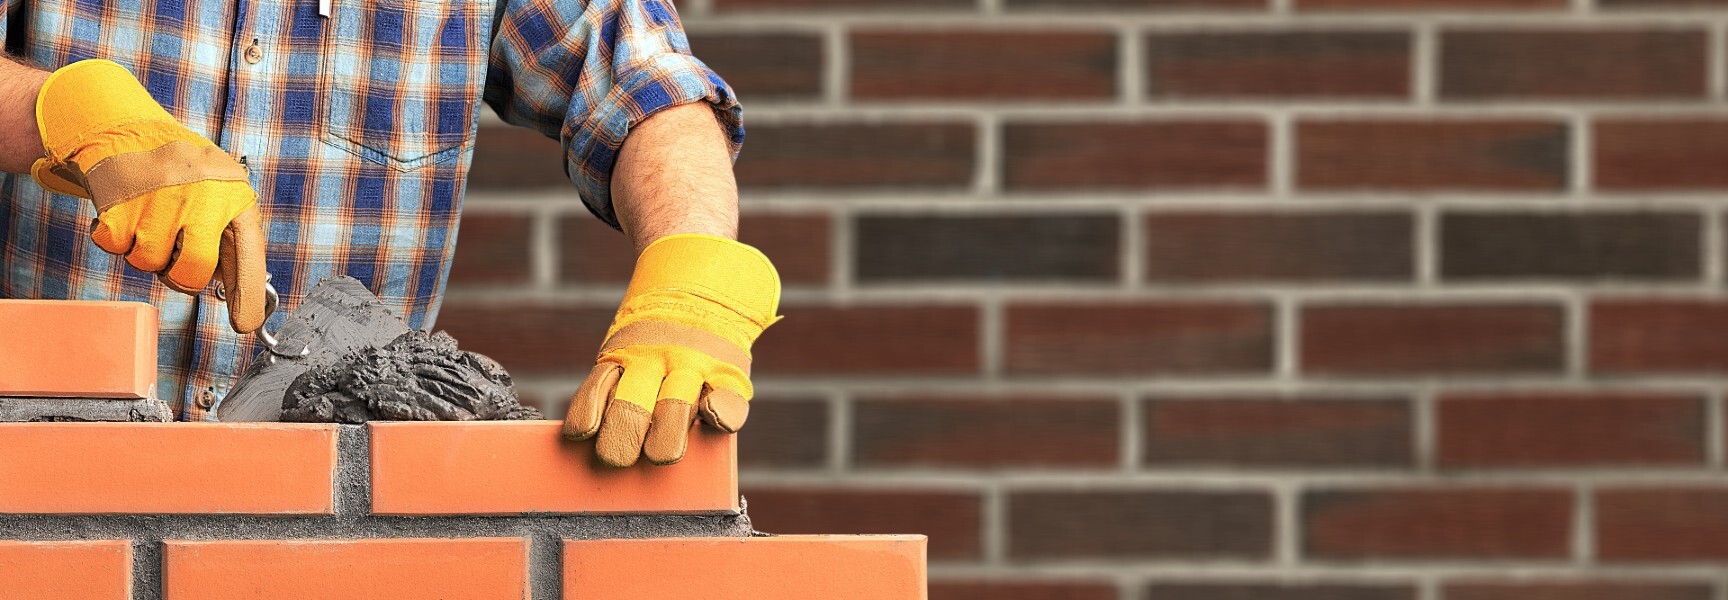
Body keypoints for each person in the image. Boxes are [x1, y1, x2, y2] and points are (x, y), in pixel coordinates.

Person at [0, 0, 779, 467]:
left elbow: (645, 80)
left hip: (337, 517)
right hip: (31, 484)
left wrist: (694, 260)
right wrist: (65, 111)